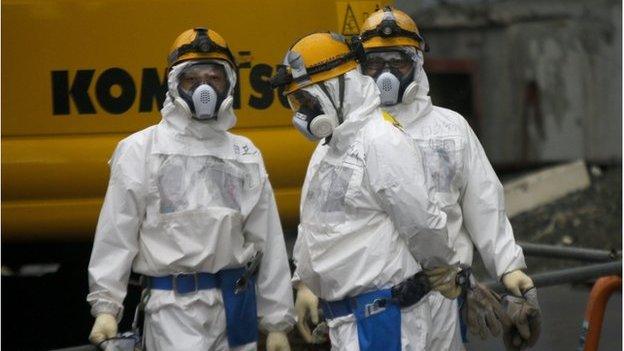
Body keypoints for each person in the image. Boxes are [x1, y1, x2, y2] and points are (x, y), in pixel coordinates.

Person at [87, 27, 295, 351]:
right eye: (191, 80)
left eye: (214, 78)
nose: (204, 89)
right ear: (173, 84)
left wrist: (277, 321)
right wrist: (106, 307)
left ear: (229, 84)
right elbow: (117, 233)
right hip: (172, 310)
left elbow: (266, 241)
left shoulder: (244, 154)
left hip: (235, 306)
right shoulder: (140, 150)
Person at [359, 7, 541, 350]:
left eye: (396, 61)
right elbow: (330, 215)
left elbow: (483, 200)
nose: (385, 74)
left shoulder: (450, 129)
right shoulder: (351, 134)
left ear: (416, 62)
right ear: (360, 67)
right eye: (374, 63)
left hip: (444, 297)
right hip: (375, 303)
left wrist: (508, 267)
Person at [270, 31, 459, 351]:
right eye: (296, 102)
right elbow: (315, 222)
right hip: (346, 321)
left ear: (337, 87)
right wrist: (304, 283)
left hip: (384, 319)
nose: (302, 113)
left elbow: (421, 220)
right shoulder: (327, 148)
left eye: (306, 99)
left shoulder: (380, 140)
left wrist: (439, 263)